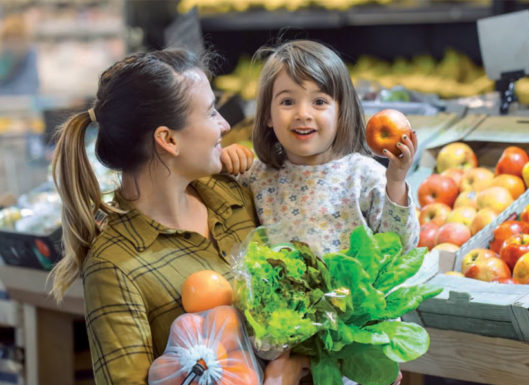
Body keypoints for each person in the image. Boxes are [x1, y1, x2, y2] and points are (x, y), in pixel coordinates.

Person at [49, 48, 308, 385]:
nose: (225, 125)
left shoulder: (233, 195)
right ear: (168, 139)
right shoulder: (115, 267)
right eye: (212, 112)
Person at [221, 40, 419, 256]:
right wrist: (222, 163)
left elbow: (402, 249)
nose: (303, 114)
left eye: (319, 102)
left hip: (355, 290)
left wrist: (397, 181)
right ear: (268, 115)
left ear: (341, 111)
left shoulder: (365, 177)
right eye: (287, 102)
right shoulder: (255, 177)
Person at [0, 13, 39, 95]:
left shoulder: (30, 54)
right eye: (9, 40)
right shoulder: (4, 56)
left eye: (17, 40)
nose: (13, 45)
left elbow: (30, 88)